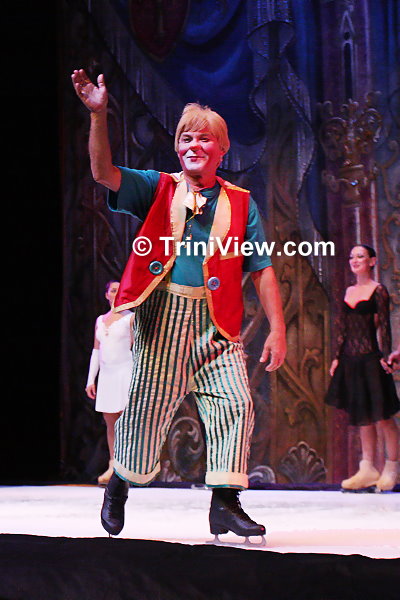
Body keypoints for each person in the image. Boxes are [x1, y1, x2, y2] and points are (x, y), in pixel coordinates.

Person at [72, 68, 286, 539]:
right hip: (162, 318)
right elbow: (103, 173)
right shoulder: (158, 187)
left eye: (204, 139)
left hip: (216, 325)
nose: (194, 145)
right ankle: (119, 486)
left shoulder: (241, 203)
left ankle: (224, 504)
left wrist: (277, 327)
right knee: (145, 415)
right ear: (177, 147)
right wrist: (99, 116)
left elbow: (262, 268)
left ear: (221, 149)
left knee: (236, 404)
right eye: (186, 138)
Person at [325, 245, 400, 492]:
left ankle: (391, 467)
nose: (355, 260)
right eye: (352, 256)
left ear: (372, 261)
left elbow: (384, 327)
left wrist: (386, 356)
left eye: (360, 256)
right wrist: (337, 357)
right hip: (351, 360)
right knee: (362, 416)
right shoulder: (348, 291)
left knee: (383, 416)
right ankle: (367, 468)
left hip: (371, 358)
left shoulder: (378, 290)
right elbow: (342, 328)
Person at [86, 280, 134, 485]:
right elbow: (96, 350)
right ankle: (113, 465)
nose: (116, 293)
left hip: (125, 372)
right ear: (107, 294)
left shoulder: (130, 318)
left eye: (119, 290)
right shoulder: (100, 320)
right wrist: (91, 380)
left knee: (126, 422)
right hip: (107, 375)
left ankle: (129, 467)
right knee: (110, 422)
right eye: (113, 290)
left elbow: (137, 347)